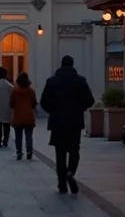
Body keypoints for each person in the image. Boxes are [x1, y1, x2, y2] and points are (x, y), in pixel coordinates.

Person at [40, 55, 94, 193]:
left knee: (60, 153)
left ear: (61, 64)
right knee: (74, 150)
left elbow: (44, 102)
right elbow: (90, 100)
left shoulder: (52, 81)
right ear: (72, 64)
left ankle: (62, 184)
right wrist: (79, 108)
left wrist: (53, 111)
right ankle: (70, 172)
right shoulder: (80, 81)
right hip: (75, 122)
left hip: (57, 122)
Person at [10, 71, 38, 161]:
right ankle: (29, 152)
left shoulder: (14, 92)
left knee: (18, 136)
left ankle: (19, 152)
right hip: (29, 117)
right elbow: (34, 103)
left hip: (18, 116)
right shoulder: (31, 91)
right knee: (29, 136)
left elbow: (11, 104)